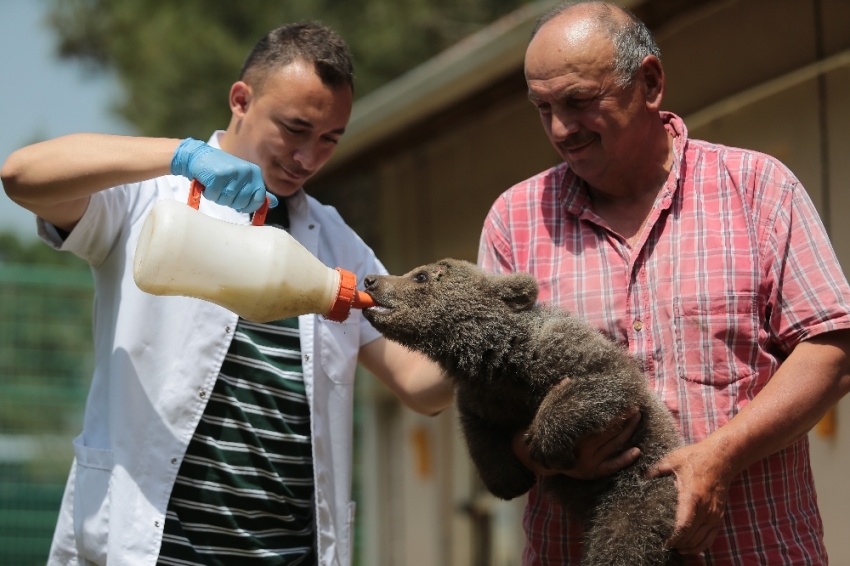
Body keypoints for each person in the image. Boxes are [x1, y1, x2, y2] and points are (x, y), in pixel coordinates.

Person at [1, 23, 452, 566]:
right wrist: (181, 155)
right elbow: (21, 175)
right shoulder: (150, 199)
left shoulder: (338, 246)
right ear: (242, 99)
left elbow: (421, 385)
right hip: (151, 549)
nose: (308, 157)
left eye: (330, 138)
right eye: (295, 128)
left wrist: (494, 327)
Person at [478, 2, 850, 564]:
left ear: (649, 82)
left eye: (579, 101)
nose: (560, 129)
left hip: (757, 549)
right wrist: (545, 454)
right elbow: (488, 401)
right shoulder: (515, 221)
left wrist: (719, 456)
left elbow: (831, 350)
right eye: (544, 108)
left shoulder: (757, 189)